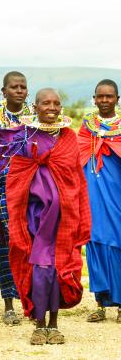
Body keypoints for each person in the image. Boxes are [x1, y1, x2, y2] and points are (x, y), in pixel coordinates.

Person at [6, 88, 90, 345]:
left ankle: (54, 324)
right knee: (39, 269)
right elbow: (17, 176)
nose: (51, 107)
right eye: (45, 103)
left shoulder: (68, 138)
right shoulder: (22, 137)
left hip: (63, 219)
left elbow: (75, 178)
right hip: (33, 218)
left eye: (56, 103)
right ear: (35, 105)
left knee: (57, 268)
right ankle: (38, 324)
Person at [0, 71, 31, 325]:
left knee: (31, 245)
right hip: (1, 190)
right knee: (6, 247)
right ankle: (9, 304)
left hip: (33, 191)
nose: (19, 91)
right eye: (14, 87)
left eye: (23, 87)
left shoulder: (36, 118)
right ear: (4, 91)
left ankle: (31, 300)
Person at [77, 79, 121, 323]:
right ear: (94, 99)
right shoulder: (87, 125)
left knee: (117, 243)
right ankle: (100, 304)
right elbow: (79, 153)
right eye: (100, 96)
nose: (104, 100)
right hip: (92, 190)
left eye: (109, 96)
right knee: (94, 242)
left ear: (117, 99)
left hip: (117, 193)